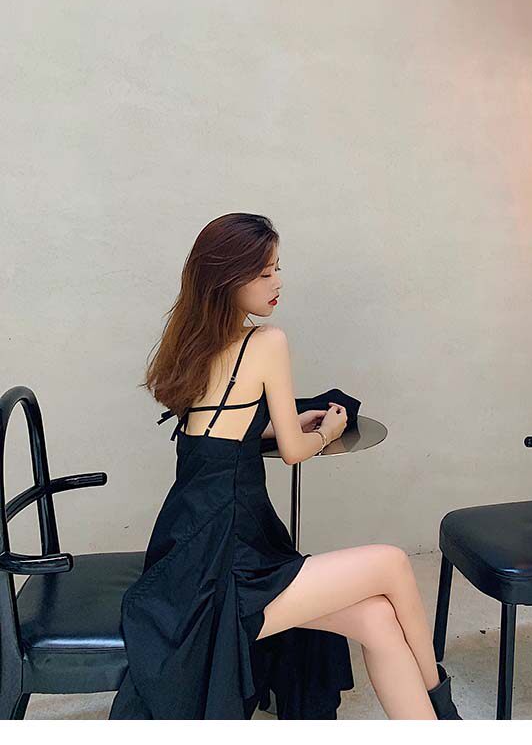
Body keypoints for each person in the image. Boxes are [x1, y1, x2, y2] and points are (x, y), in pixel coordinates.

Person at [109, 211, 462, 721]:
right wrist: (327, 430)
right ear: (227, 280)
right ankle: (441, 703)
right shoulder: (266, 341)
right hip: (226, 572)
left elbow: (214, 432)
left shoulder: (193, 343)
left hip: (186, 557)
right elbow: (296, 452)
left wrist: (280, 424)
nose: (277, 283)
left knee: (377, 619)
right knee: (392, 563)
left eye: (277, 269)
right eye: (263, 273)